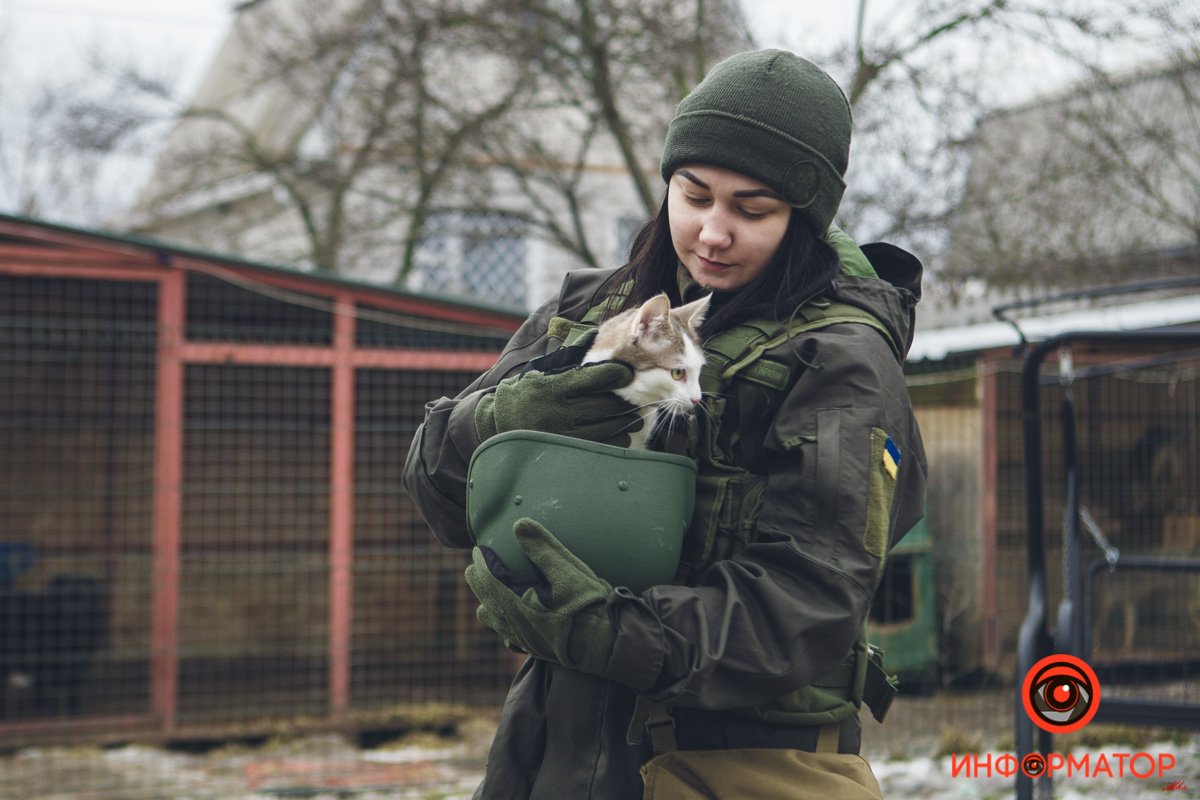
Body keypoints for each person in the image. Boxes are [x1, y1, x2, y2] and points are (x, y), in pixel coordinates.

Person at [402, 48, 927, 799]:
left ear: (803, 220)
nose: (714, 231)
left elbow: (811, 600)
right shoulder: (593, 312)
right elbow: (438, 493)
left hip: (738, 761)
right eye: (695, 194)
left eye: (752, 210)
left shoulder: (838, 360)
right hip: (551, 747)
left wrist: (615, 633)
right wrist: (507, 417)